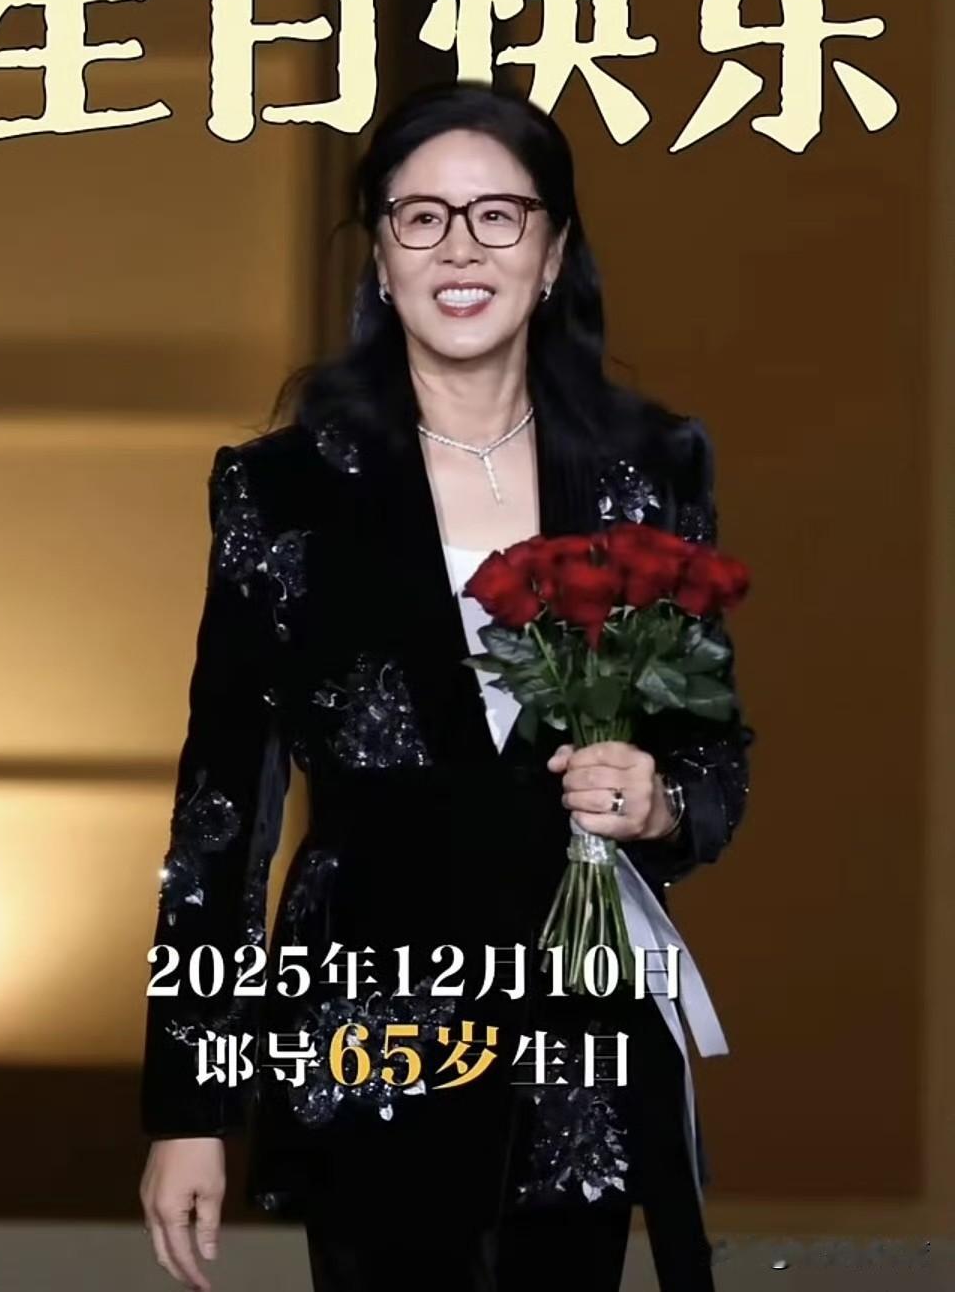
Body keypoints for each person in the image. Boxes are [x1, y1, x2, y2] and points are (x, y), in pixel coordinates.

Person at [138, 80, 756, 1292]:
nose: (460, 249)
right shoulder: (283, 491)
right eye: (421, 218)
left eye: (497, 216)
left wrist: (663, 802)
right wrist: (191, 1103)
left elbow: (714, 752)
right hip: (369, 1025)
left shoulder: (647, 470)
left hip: (574, 1035)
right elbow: (220, 816)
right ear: (380, 256)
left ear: (554, 251)